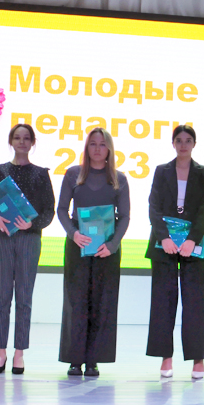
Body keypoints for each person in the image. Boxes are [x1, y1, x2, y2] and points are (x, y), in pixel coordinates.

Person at [0, 124, 55, 375]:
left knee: (24, 299)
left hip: (29, 240)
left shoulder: (41, 174)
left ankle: (19, 353)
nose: (22, 142)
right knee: (1, 298)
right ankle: (0, 352)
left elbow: (49, 211)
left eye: (27, 138)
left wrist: (32, 223)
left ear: (33, 142)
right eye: (17, 137)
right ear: (11, 141)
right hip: (2, 239)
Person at [58, 127, 130, 377]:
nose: (97, 149)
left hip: (106, 250)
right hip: (78, 246)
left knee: (102, 303)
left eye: (102, 144)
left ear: (109, 149)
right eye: (93, 144)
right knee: (76, 303)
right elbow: (61, 210)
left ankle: (93, 361)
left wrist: (113, 245)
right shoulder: (73, 174)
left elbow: (125, 216)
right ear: (86, 147)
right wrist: (73, 234)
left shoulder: (119, 178)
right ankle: (74, 360)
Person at [145, 125, 204, 379]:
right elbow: (153, 207)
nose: (183, 145)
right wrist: (164, 238)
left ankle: (197, 359)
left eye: (188, 140)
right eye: (179, 140)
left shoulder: (203, 173)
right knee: (163, 302)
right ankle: (166, 357)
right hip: (164, 244)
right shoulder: (162, 171)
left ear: (194, 144)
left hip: (193, 245)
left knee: (194, 303)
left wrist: (192, 240)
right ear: (173, 143)